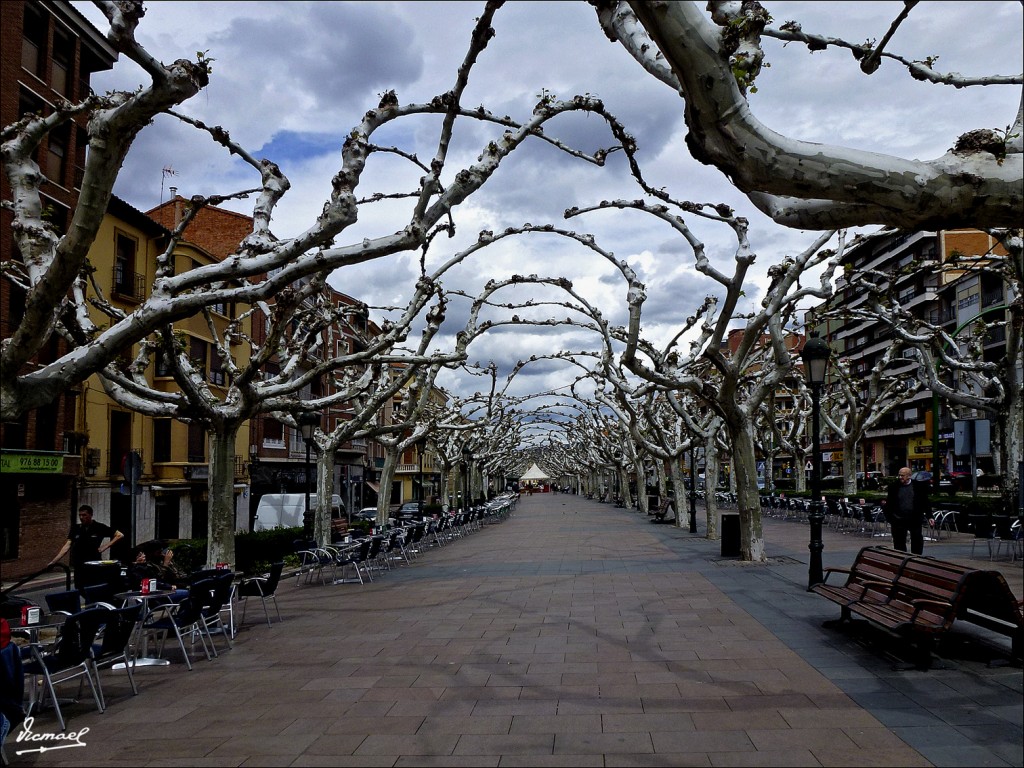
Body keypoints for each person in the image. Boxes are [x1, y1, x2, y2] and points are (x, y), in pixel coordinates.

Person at [48, 505, 125, 589]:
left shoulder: (99, 527)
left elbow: (119, 535)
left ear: (91, 515)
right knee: (79, 588)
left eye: (84, 515)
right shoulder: (76, 528)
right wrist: (54, 561)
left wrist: (105, 546)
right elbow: (67, 545)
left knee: (93, 588)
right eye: (80, 515)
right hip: (79, 565)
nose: (81, 517)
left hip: (93, 565)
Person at [883, 467, 931, 555]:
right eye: (899, 475)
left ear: (909, 476)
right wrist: (890, 518)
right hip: (898, 519)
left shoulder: (918, 486)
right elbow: (889, 503)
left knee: (917, 540)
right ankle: (901, 559)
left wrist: (930, 516)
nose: (900, 477)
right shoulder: (894, 486)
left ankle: (916, 558)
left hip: (914, 518)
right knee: (899, 542)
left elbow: (925, 502)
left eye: (902, 475)